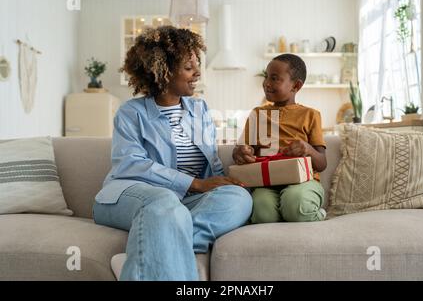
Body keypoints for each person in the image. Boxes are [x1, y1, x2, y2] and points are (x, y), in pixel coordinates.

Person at [92, 26, 252, 281]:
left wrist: (235, 163)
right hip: (127, 195)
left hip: (182, 202)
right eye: (189, 67)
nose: (198, 72)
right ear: (162, 72)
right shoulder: (131, 113)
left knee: (239, 199)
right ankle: (158, 253)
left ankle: (145, 254)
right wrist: (196, 184)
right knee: (163, 201)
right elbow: (131, 164)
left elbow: (211, 166)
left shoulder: (200, 109)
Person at [233, 54, 327, 224]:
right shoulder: (257, 114)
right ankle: (283, 215)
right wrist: (241, 151)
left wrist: (307, 149)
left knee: (295, 202)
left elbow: (321, 164)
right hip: (267, 184)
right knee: (262, 211)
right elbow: (241, 150)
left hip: (303, 182)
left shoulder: (310, 115)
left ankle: (315, 214)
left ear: (296, 85)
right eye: (266, 77)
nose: (267, 83)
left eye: (275, 78)